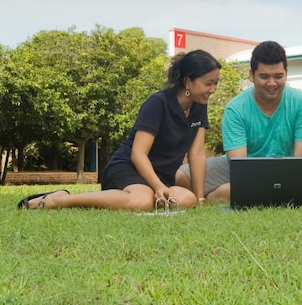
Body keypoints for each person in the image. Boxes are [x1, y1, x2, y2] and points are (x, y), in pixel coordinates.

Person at [17, 49, 221, 211]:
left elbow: (197, 153)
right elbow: (138, 154)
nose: (213, 89)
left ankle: (149, 195)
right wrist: (158, 187)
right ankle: (59, 200)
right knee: (142, 202)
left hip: (161, 176)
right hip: (127, 168)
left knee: (187, 199)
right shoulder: (158, 103)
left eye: (216, 83)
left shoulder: (199, 106)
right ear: (188, 82)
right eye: (208, 83)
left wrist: (200, 197)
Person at [176, 40, 302, 201]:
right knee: (180, 176)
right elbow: (240, 165)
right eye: (264, 76)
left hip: (286, 170)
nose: (272, 83)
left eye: (278, 76)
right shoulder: (236, 108)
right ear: (251, 75)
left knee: (244, 191)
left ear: (286, 73)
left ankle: (220, 195)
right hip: (238, 169)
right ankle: (229, 193)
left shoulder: (301, 103)